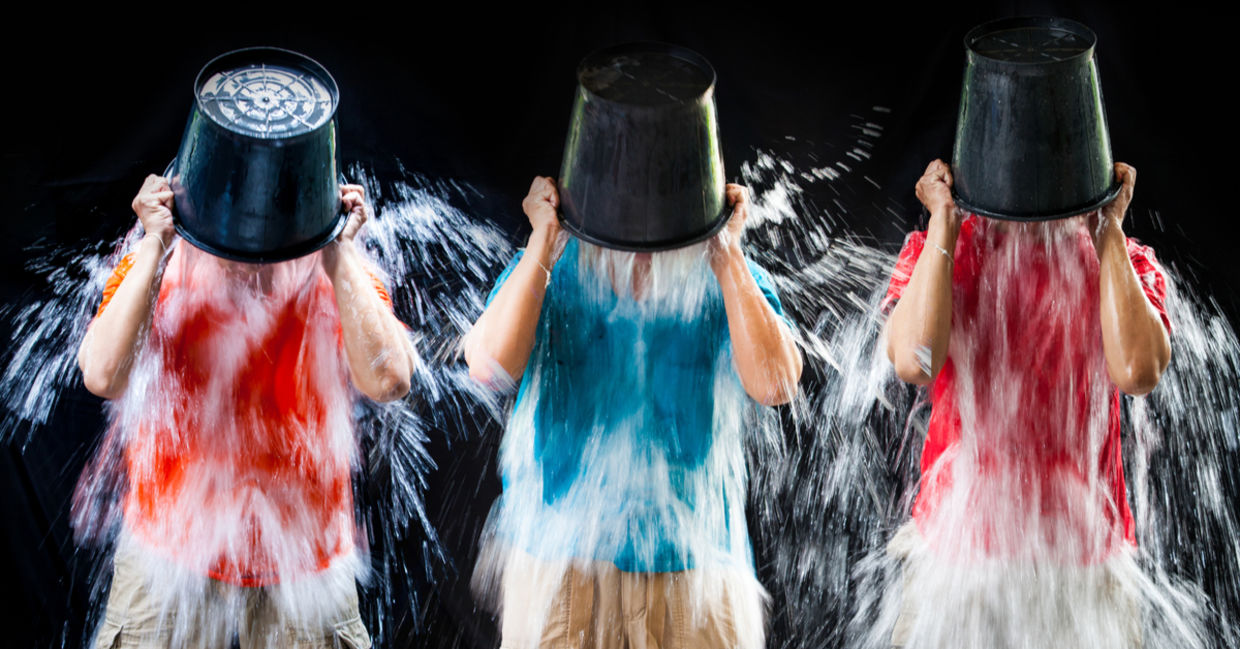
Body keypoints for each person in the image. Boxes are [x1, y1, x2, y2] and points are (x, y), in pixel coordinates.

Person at [77, 174, 416, 649]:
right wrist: (154, 241)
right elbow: (103, 374)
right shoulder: (164, 256)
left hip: (304, 561)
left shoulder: (336, 266)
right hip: (169, 551)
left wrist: (338, 253)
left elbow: (390, 379)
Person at [464, 177, 803, 648]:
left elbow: (778, 383)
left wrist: (727, 253)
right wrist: (542, 240)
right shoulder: (550, 265)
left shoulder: (723, 272)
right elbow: (489, 366)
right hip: (560, 565)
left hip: (697, 567)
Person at [881, 159, 1171, 647]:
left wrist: (1108, 233)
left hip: (1085, 571)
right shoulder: (939, 251)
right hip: (958, 567)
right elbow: (915, 362)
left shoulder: (1125, 260)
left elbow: (1139, 371)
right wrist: (943, 226)